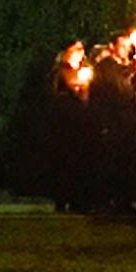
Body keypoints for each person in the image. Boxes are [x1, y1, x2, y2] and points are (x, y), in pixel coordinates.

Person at [88, 31, 136, 213]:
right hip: (112, 121)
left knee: (126, 161)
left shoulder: (125, 66)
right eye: (123, 46)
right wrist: (131, 70)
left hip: (127, 120)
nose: (126, 50)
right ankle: (106, 200)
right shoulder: (105, 66)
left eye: (128, 47)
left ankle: (123, 201)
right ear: (112, 47)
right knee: (111, 161)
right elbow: (116, 88)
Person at [49, 40, 91, 212]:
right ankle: (61, 199)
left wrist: (85, 88)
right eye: (76, 49)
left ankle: (77, 200)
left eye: (82, 49)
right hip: (64, 123)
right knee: (64, 161)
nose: (80, 52)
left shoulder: (85, 69)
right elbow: (52, 95)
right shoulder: (60, 71)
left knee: (80, 161)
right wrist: (72, 90)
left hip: (81, 123)